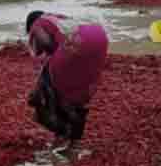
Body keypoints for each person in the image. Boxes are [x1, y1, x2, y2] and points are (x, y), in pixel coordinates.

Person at [25, 11, 111, 155]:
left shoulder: (37, 24)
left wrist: (47, 58)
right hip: (100, 36)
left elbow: (47, 43)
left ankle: (60, 133)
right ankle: (74, 143)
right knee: (80, 87)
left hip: (78, 40)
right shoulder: (55, 18)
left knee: (49, 81)